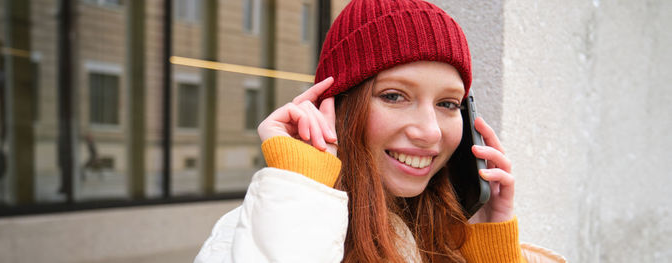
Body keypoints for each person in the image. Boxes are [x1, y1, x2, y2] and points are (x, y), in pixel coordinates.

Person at [195, 0, 565, 262]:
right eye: (394, 96)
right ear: (334, 108)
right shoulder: (256, 232)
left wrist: (491, 247)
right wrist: (301, 190)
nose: (430, 132)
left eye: (448, 104)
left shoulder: (449, 241)